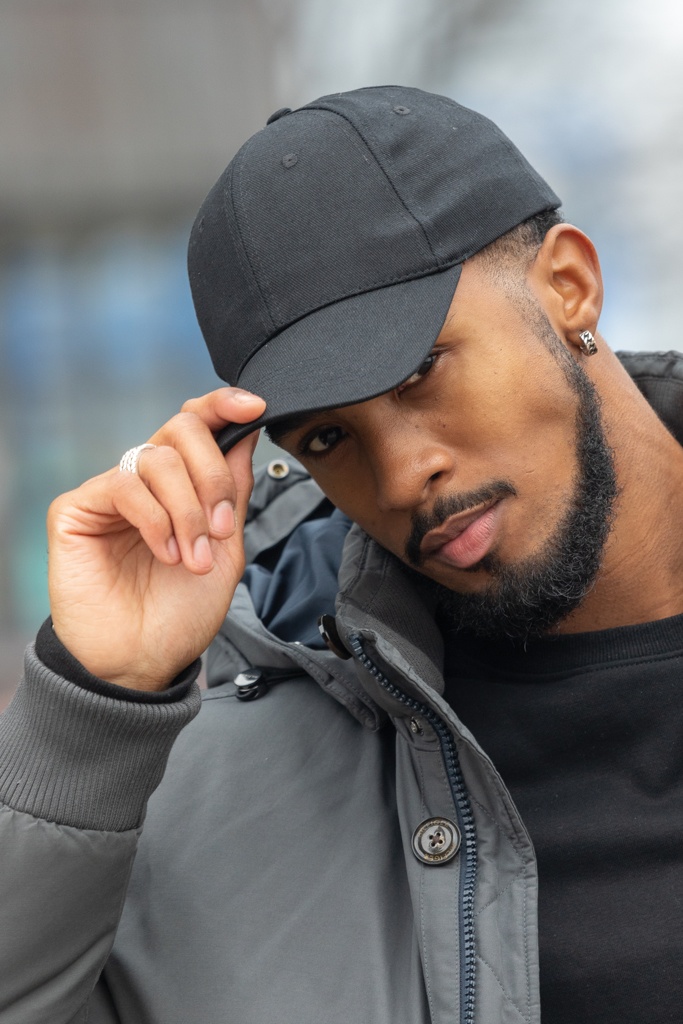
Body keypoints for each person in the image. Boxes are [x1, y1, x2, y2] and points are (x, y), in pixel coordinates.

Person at [1, 85, 682, 1024]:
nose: (401, 477)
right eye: (326, 437)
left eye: (420, 372)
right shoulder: (212, 776)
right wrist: (92, 711)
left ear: (567, 287)